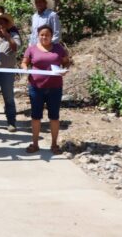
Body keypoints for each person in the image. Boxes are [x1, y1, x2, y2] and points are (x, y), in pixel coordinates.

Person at [21, 25, 70, 155]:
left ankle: (54, 144)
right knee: (36, 116)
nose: (44, 37)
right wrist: (25, 67)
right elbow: (24, 62)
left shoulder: (58, 49)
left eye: (47, 35)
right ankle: (35, 144)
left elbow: (66, 62)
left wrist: (64, 69)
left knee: (54, 117)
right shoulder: (31, 49)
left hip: (55, 87)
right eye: (42, 35)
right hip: (36, 87)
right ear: (38, 35)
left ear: (51, 35)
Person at [0, 12, 22, 132]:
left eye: (1, 23)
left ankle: (11, 122)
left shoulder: (14, 35)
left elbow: (16, 48)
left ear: (7, 24)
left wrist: (7, 36)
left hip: (7, 72)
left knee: (8, 97)